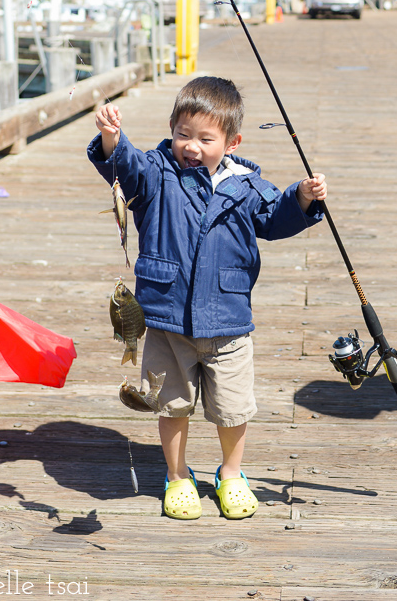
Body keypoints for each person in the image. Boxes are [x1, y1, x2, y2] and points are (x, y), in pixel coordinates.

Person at [88, 76, 327, 521]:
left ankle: (231, 474)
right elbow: (125, 167)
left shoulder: (248, 186)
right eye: (183, 135)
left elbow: (276, 219)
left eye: (205, 139)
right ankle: (177, 476)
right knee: (171, 404)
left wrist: (302, 197)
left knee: (233, 409)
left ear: (232, 142)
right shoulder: (157, 173)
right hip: (166, 321)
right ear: (172, 129)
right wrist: (111, 138)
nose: (191, 147)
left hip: (228, 319)